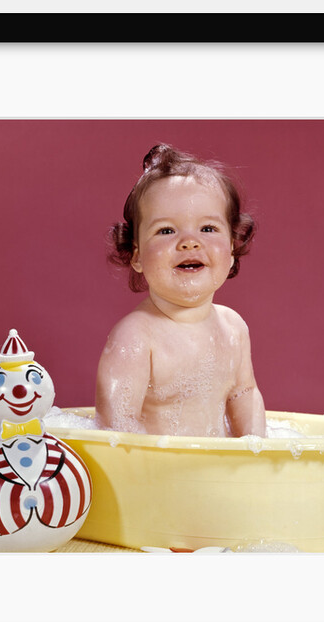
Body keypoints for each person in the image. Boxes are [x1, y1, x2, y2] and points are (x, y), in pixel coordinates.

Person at [95, 143, 266, 438]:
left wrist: (256, 448)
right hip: (158, 466)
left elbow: (244, 394)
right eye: (166, 230)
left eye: (208, 229)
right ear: (136, 256)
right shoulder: (136, 337)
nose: (189, 242)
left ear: (232, 249)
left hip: (215, 464)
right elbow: (116, 427)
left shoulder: (233, 328)